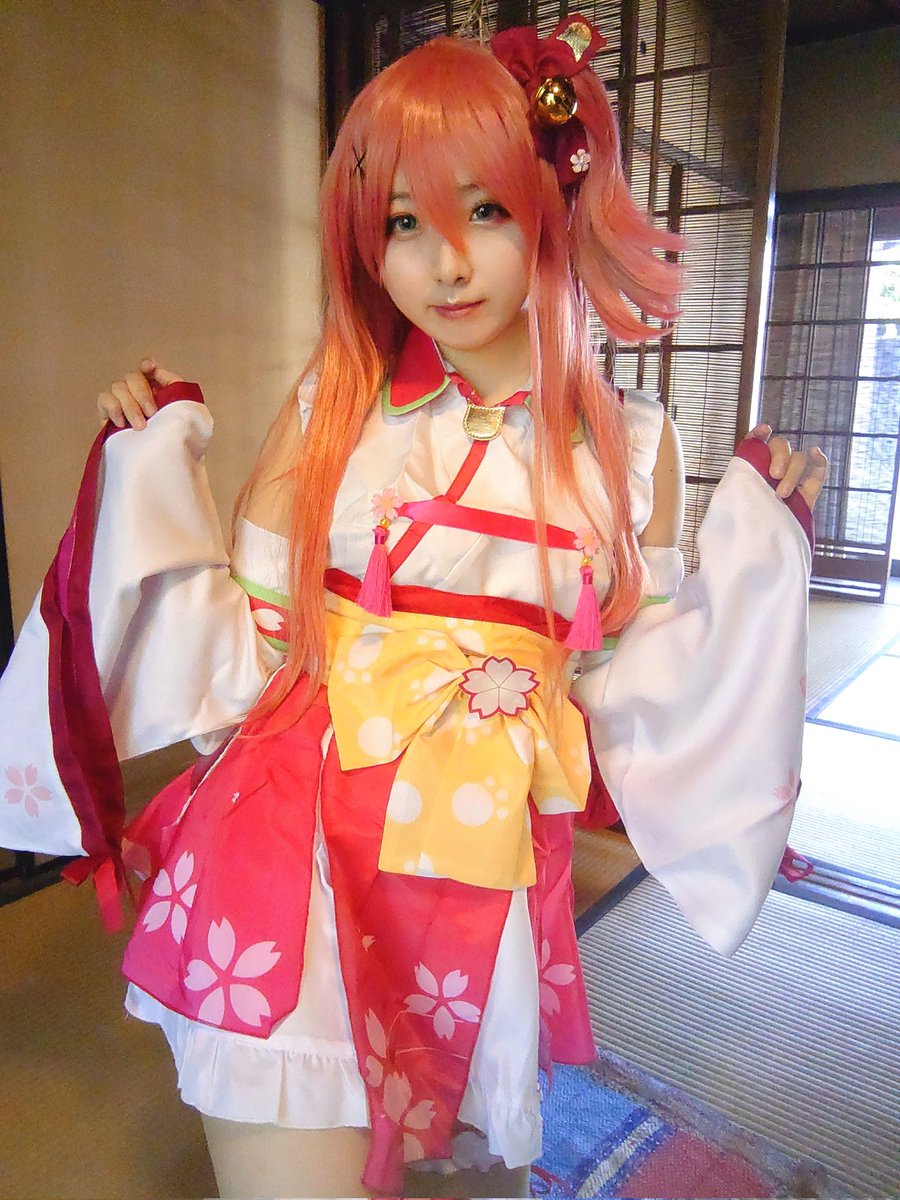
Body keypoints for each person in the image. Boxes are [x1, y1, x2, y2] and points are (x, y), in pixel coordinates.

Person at [0, 15, 827, 1199]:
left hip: (485, 861)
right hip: (296, 841)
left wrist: (763, 550)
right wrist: (149, 468)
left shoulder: (628, 444)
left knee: (470, 1164)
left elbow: (628, 684)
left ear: (556, 202)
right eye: (401, 224)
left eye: (483, 210)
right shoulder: (333, 407)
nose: (444, 265)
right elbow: (256, 648)